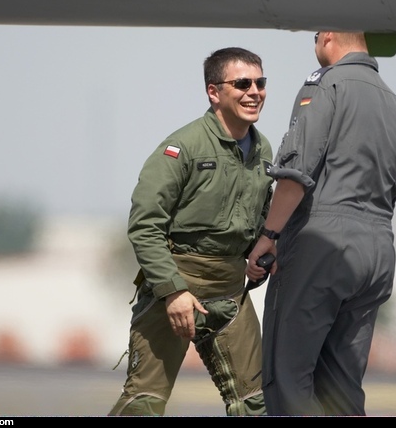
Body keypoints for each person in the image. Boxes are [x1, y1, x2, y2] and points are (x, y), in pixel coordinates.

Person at [245, 32, 396, 416]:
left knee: (287, 375)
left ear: (329, 36)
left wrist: (269, 235)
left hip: (323, 244)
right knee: (341, 385)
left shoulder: (326, 86)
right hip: (377, 249)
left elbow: (296, 172)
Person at [109, 47, 274, 416]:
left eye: (260, 83)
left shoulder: (264, 151)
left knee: (256, 404)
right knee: (144, 403)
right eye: (242, 83)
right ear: (214, 92)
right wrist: (172, 291)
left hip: (230, 291)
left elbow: (260, 217)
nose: (254, 92)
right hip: (175, 285)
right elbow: (144, 226)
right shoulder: (182, 147)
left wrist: (264, 248)